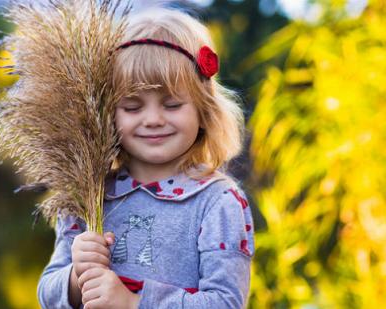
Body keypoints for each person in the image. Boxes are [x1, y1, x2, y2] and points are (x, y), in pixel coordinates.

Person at [37, 7, 254, 309]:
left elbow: (225, 302)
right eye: (132, 106)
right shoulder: (88, 195)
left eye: (172, 104)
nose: (152, 119)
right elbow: (48, 294)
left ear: (204, 112)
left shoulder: (217, 203)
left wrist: (133, 303)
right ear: (107, 116)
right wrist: (77, 277)